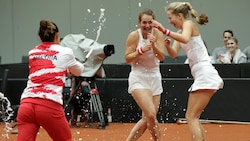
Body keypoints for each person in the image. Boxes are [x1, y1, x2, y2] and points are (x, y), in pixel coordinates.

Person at [152, 2, 223, 141]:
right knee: (193, 117)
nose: (169, 21)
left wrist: (164, 30)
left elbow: (184, 38)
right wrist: (167, 45)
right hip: (201, 74)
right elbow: (173, 54)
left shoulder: (188, 24)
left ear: (179, 16)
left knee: (191, 117)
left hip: (205, 72)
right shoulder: (179, 32)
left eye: (170, 17)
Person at [17, 19, 85, 141]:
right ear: (57, 36)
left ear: (40, 37)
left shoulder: (33, 53)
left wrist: (64, 69)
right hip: (49, 105)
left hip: (26, 105)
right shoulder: (65, 51)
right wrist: (79, 64)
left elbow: (44, 71)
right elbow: (79, 71)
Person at [125, 8, 165, 141]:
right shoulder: (134, 36)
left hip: (154, 76)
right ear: (139, 23)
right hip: (139, 76)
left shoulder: (158, 34)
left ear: (153, 22)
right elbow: (128, 58)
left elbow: (161, 57)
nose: (147, 26)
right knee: (151, 115)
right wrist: (141, 50)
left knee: (148, 118)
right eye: (144, 23)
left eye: (149, 22)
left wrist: (153, 46)